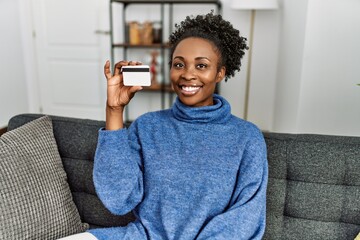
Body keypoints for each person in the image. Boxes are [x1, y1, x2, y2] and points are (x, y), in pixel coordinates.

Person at [60, 11, 268, 240]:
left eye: (201, 66)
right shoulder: (148, 126)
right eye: (179, 64)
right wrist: (114, 110)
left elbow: (245, 219)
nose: (187, 75)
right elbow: (119, 200)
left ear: (220, 73)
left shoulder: (247, 137)